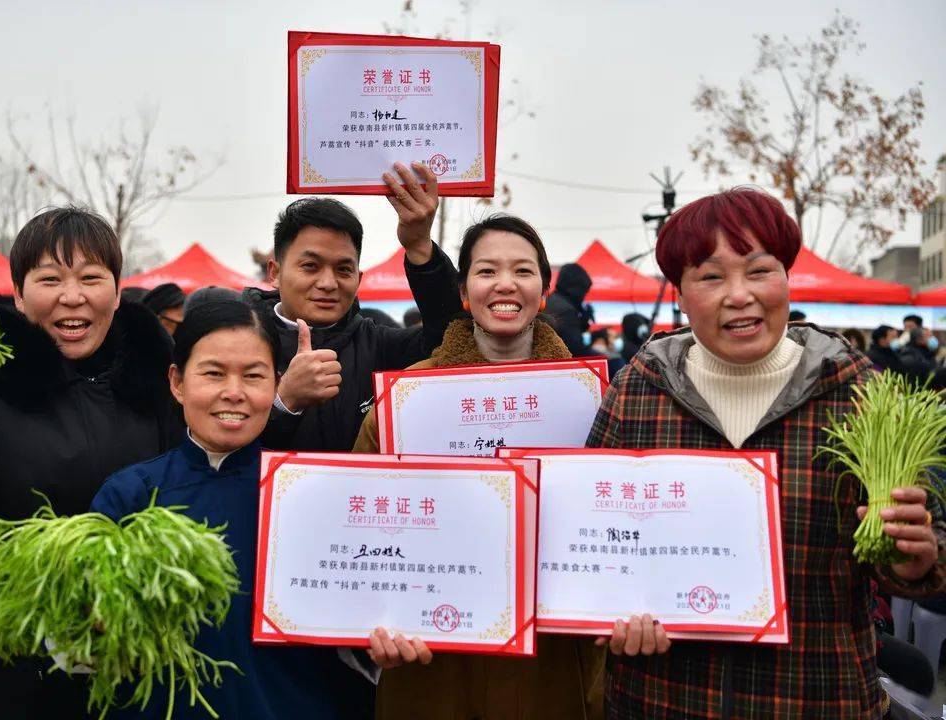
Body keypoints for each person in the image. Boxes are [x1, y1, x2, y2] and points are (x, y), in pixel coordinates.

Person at [587, 187, 945, 718]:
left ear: (786, 276)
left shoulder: (856, 390)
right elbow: (592, 534)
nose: (739, 295)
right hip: (661, 698)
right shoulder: (639, 390)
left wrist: (916, 563)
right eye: (710, 277)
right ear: (680, 295)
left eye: (759, 270)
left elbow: (926, 537)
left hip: (818, 695)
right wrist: (610, 615)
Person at [0, 207, 182, 719]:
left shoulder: (161, 383)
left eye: (92, 277)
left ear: (117, 290)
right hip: (0, 662)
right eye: (50, 279)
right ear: (19, 295)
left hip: (127, 652)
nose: (73, 296)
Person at [354, 215, 605, 720]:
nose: (505, 285)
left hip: (550, 650)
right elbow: (361, 512)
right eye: (487, 271)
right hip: (431, 645)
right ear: (464, 291)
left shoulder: (592, 397)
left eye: (523, 271)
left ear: (544, 287)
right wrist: (371, 620)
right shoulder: (409, 397)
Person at [91, 300, 376, 719]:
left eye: (254, 376)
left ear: (275, 383)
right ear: (177, 382)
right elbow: (82, 643)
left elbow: (351, 631)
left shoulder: (313, 493)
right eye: (213, 373)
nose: (234, 392)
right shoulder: (130, 495)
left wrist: (376, 639)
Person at [242, 162, 460, 452]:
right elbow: (217, 452)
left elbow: (452, 338)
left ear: (359, 278)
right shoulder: (238, 344)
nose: (328, 283)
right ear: (275, 272)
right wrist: (284, 403)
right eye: (310, 266)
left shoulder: (380, 346)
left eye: (344, 270)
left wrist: (420, 245)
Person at [547, 262, 594, 356]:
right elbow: (575, 349)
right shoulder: (566, 311)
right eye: (584, 292)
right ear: (578, 289)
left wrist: (581, 324)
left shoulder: (551, 301)